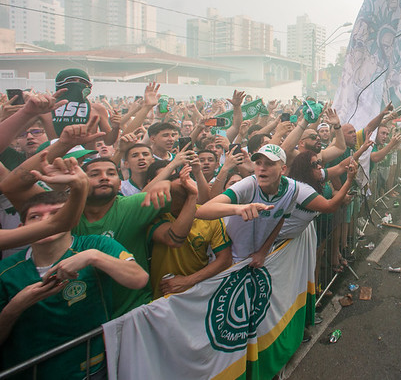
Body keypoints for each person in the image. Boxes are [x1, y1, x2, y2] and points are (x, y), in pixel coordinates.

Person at [0, 171, 148, 379]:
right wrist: (15, 308)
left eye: (55, 214)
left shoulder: (95, 245)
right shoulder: (6, 271)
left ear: (70, 218)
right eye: (36, 216)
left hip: (91, 369)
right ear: (21, 228)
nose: (45, 222)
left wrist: (94, 257)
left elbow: (138, 278)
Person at [73, 157, 172, 317]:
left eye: (111, 173)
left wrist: (168, 184)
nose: (104, 177)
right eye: (94, 174)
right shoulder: (65, 216)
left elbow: (186, 193)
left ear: (120, 183)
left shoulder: (134, 205)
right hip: (84, 320)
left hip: (135, 312)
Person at [148, 166, 232, 299]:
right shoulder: (157, 215)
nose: (184, 194)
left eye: (188, 190)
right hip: (160, 296)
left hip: (195, 293)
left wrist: (188, 281)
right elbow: (172, 239)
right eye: (178, 191)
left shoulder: (209, 216)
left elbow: (225, 259)